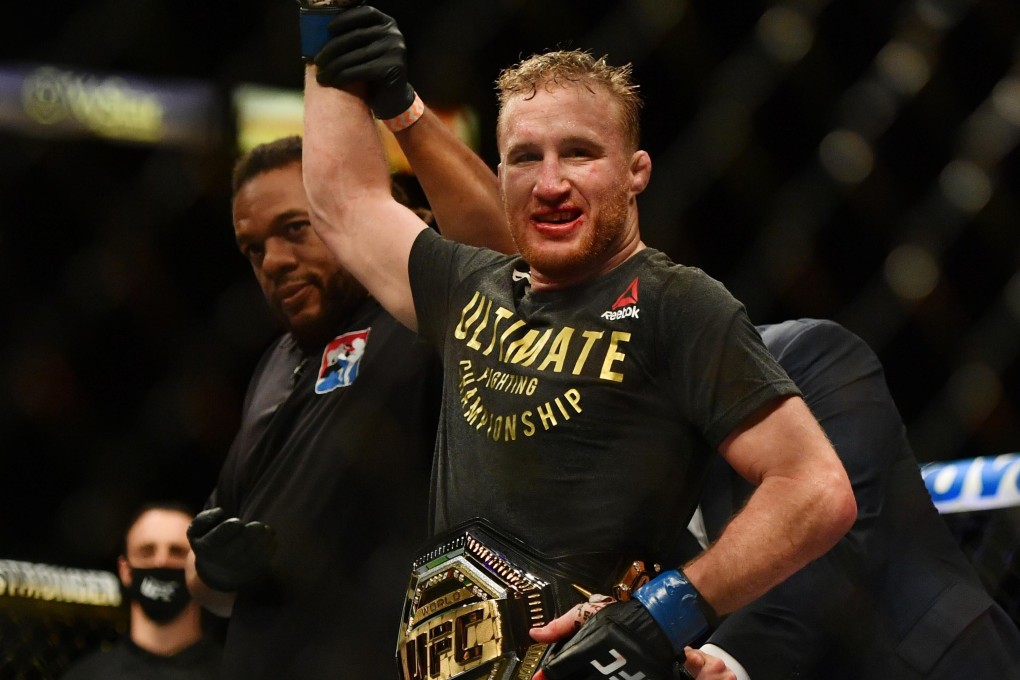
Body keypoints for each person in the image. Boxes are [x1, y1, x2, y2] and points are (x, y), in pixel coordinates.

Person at [299, 5, 857, 678]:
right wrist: (324, 30)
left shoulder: (677, 304)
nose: (551, 183)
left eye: (580, 154)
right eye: (525, 159)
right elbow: (343, 199)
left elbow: (816, 488)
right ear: (499, 174)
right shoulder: (470, 285)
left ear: (636, 172)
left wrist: (659, 617)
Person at [183, 68, 513, 679]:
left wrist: (404, 111)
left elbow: (507, 263)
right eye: (253, 249)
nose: (274, 262)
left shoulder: (414, 318)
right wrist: (214, 573)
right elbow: (208, 560)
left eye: (295, 229)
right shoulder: (274, 365)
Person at [686, 319, 1020, 680]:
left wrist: (724, 659)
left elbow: (836, 534)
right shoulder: (631, 461)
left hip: (927, 662)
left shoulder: (803, 353)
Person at [62, 503, 221, 680]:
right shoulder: (86, 676)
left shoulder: (236, 672)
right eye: (147, 552)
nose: (161, 562)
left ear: (198, 567)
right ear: (125, 570)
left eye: (177, 552)